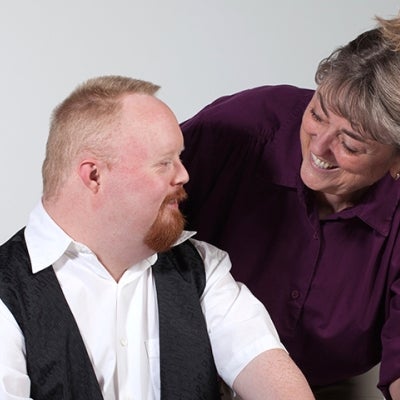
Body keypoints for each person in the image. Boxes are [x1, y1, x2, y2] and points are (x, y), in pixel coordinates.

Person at [0, 75, 315, 400]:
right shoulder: (6, 290)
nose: (183, 174)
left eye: (179, 158)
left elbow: (272, 376)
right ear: (94, 175)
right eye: (164, 163)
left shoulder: (202, 269)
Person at [180, 12, 400, 400]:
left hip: (327, 386)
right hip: (183, 368)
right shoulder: (244, 129)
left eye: (350, 144)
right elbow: (125, 208)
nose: (318, 147)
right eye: (316, 114)